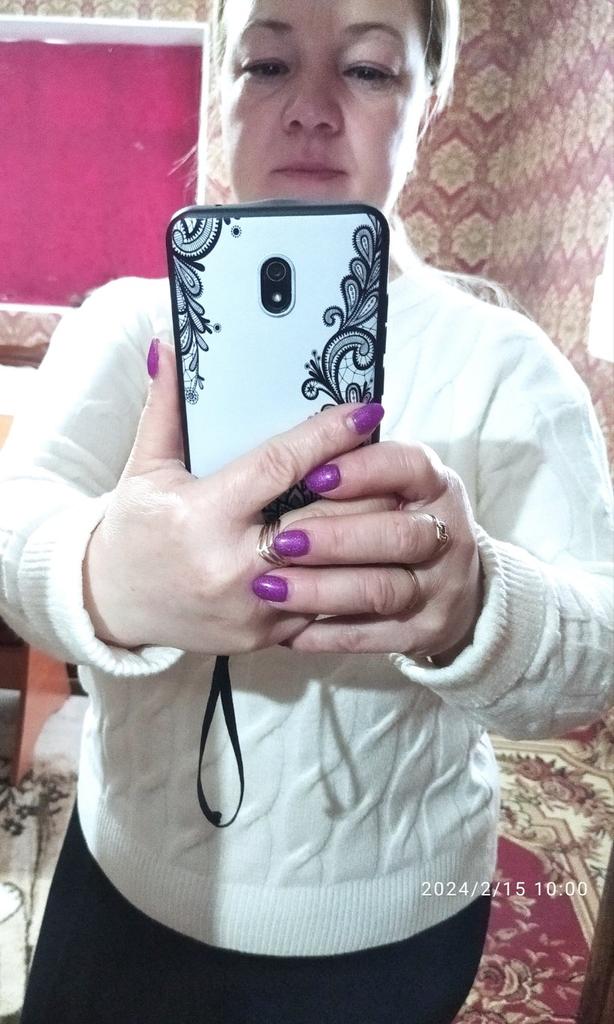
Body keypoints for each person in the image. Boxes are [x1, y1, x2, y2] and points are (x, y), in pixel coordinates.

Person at [1, 1, 612, 1021]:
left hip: (396, 919)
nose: (311, 109)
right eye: (268, 63)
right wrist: (101, 574)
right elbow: (15, 515)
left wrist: (475, 605)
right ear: (222, 90)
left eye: (367, 70)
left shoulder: (510, 365)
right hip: (124, 881)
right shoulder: (126, 322)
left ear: (429, 101)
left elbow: (598, 650)